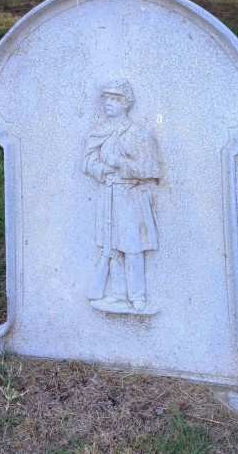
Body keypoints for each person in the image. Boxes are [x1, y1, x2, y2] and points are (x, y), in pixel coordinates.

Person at [83, 79, 160, 314]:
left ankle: (137, 296)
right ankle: (117, 295)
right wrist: (101, 169)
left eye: (115, 99)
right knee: (111, 247)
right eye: (106, 98)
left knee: (132, 247)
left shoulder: (139, 135)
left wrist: (117, 162)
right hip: (107, 194)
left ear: (126, 103)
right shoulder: (100, 131)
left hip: (130, 196)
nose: (108, 103)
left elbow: (150, 170)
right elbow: (87, 161)